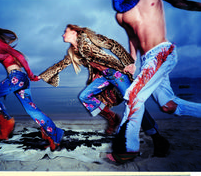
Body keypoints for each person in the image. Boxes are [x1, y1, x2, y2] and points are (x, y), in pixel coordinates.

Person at [39, 24, 170, 157]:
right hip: (104, 77)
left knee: (134, 104)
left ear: (74, 32)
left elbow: (113, 45)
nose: (63, 35)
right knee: (85, 96)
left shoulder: (90, 38)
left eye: (65, 31)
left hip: (116, 73)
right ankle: (112, 117)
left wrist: (129, 62)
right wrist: (42, 75)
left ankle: (157, 138)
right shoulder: (73, 52)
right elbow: (61, 64)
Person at [107, 0, 201, 164]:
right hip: (146, 60)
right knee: (169, 106)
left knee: (133, 95)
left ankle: (128, 148)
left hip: (162, 52)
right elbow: (133, 37)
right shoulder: (120, 14)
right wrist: (132, 61)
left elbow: (178, 2)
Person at [0, 23, 64, 151]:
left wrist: (31, 75)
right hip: (20, 79)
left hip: (17, 78)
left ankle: (7, 124)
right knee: (32, 110)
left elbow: (19, 56)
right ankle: (54, 135)